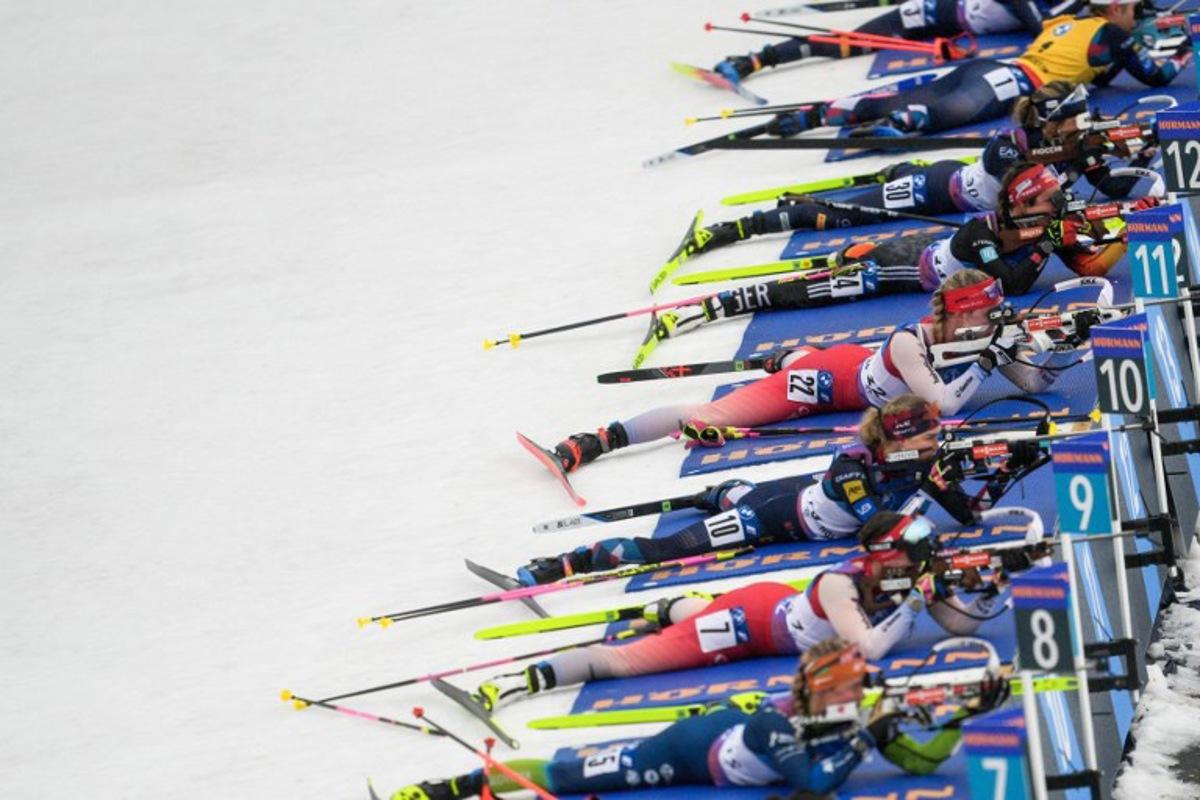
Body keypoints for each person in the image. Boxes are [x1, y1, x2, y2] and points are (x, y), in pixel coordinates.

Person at [476, 513, 1037, 718]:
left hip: (772, 608)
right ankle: (517, 681)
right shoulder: (842, 584)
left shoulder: (909, 575)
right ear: (891, 559)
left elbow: (960, 626)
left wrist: (998, 589)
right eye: (917, 557)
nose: (927, 563)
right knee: (628, 665)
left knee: (688, 623)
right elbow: (866, 651)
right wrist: (917, 597)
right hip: (751, 626)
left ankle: (666, 608)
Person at [544, 270, 1076, 473]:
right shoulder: (910, 341)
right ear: (961, 311)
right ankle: (596, 440)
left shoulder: (981, 330)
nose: (994, 318)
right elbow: (947, 404)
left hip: (857, 373)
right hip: (827, 384)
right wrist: (990, 357)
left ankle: (787, 359)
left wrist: (1040, 349)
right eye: (986, 311)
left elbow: (1033, 385)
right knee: (712, 416)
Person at [392, 638, 1008, 800]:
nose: (863, 697)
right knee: (574, 773)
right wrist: (870, 737)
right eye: (854, 689)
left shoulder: (858, 711)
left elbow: (923, 760)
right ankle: (451, 788)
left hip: (727, 736)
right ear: (824, 693)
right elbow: (816, 785)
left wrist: (963, 715)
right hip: (693, 750)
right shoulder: (777, 725)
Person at [517, 395, 1044, 584]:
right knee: (669, 551)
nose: (939, 441)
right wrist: (931, 485)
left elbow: (971, 514)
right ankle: (568, 563)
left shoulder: (913, 461)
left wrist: (995, 475)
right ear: (902, 441)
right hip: (777, 517)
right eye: (930, 437)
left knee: (737, 491)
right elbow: (876, 529)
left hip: (797, 492)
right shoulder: (851, 468)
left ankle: (718, 489)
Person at [652, 158, 1149, 345]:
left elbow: (1090, 265)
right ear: (1023, 206)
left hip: (922, 252)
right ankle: (721, 295)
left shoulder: (1040, 230)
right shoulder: (981, 230)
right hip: (904, 269)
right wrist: (1046, 242)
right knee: (819, 285)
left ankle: (850, 250)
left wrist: (1127, 231)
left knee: (853, 249)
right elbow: (1011, 286)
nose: (1059, 206)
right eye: (1049, 202)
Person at [665, 81, 1157, 267]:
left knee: (869, 201)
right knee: (849, 213)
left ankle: (898, 168)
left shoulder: (1071, 147)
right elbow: (1018, 187)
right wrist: (1075, 157)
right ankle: (741, 226)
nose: (1084, 125)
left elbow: (1108, 187)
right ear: (1051, 122)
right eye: (1075, 118)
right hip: (942, 188)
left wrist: (1145, 149)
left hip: (971, 217)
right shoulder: (1011, 146)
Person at [759, 0, 1189, 138]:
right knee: (953, 111)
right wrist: (1186, 47)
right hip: (1017, 80)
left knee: (917, 94)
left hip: (997, 65)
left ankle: (817, 115)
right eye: (1135, 9)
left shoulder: (1070, 23)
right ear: (1115, 8)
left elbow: (1100, 69)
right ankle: (895, 125)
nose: (1139, 16)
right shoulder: (1114, 36)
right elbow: (1155, 76)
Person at [712, 0, 1054, 84]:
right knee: (845, 44)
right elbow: (1038, 25)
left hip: (950, 26)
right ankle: (755, 58)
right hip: (924, 17)